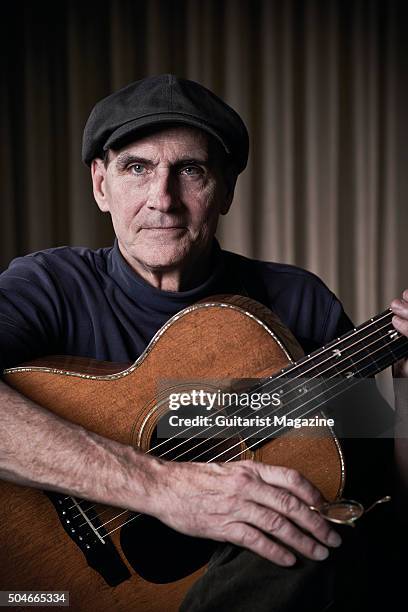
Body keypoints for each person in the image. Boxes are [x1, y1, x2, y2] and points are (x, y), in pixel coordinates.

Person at [0, 74, 407, 611]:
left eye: (190, 171)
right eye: (136, 168)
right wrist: (164, 489)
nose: (162, 200)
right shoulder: (48, 285)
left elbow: (387, 499)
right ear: (101, 185)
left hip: (234, 592)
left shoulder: (296, 303)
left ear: (227, 191)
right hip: (37, 594)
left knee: (315, 539)